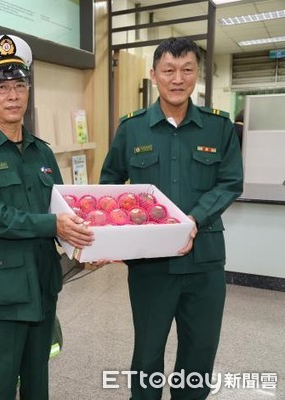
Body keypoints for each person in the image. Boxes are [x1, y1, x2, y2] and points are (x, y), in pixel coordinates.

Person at [100, 37, 243, 399]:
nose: (177, 79)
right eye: (168, 70)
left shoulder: (219, 127)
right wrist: (119, 229)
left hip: (204, 262)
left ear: (197, 74)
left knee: (199, 354)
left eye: (186, 70)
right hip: (150, 265)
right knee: (147, 355)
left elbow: (230, 182)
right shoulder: (131, 128)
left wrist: (195, 218)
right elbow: (110, 183)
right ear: (154, 75)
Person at [0, 34, 94, 400]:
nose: (12, 95)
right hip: (4, 290)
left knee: (37, 376)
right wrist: (54, 226)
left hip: (44, 283)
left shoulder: (41, 152)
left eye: (19, 85)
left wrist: (87, 244)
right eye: (0, 87)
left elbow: (61, 210)